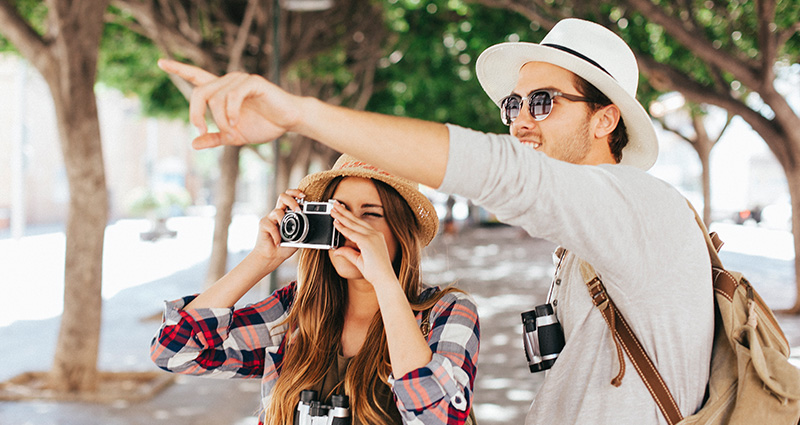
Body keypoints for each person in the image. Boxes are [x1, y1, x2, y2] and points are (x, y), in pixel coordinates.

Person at [158, 17, 714, 425]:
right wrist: (263, 259)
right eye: (512, 106)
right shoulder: (581, 246)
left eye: (542, 102)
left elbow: (503, 172)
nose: (519, 122)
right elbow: (174, 350)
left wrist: (299, 115)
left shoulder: (638, 207)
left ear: (605, 119)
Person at [150, 155, 480, 425]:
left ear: (400, 230)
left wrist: (385, 283)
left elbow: (439, 419)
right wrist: (262, 259)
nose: (348, 229)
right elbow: (175, 350)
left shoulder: (445, 313)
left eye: (369, 215)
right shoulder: (295, 311)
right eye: (339, 213)